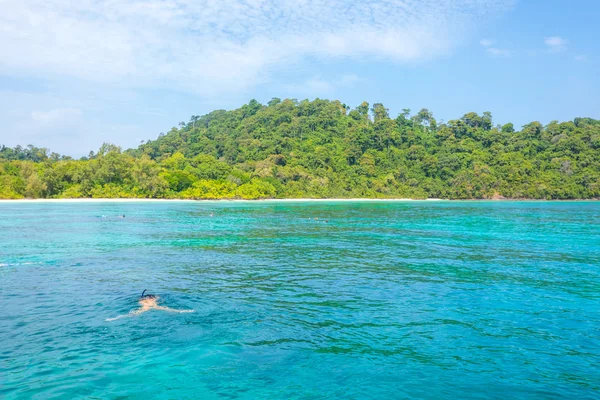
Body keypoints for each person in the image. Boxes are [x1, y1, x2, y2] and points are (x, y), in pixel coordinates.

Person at [106, 290, 193, 321]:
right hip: (153, 304)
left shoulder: (142, 301)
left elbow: (139, 301)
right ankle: (183, 311)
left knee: (134, 314)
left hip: (145, 306)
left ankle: (114, 318)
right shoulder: (153, 300)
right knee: (167, 309)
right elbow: (158, 297)